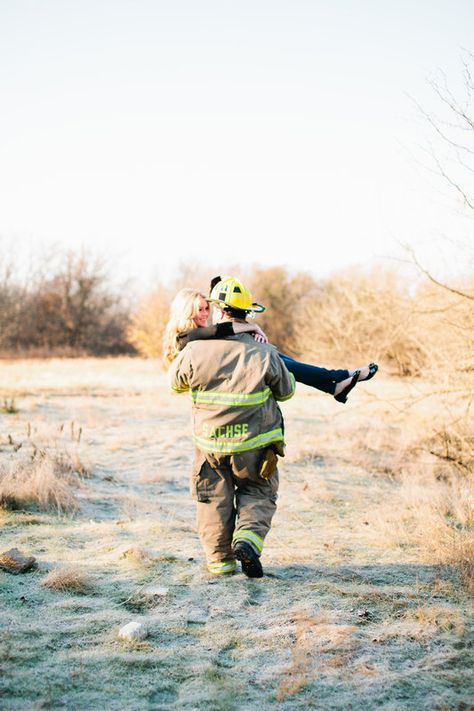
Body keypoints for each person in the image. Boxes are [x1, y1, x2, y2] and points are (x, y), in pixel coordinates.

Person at [168, 278, 296, 578]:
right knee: (259, 493)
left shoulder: (194, 349)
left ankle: (220, 563)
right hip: (256, 445)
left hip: (210, 445)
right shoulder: (264, 351)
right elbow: (286, 391)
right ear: (246, 313)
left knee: (213, 500)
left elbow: (176, 385)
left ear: (218, 311)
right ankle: (247, 540)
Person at [163, 279, 378, 404]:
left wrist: (254, 338)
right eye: (199, 309)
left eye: (206, 308)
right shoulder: (185, 335)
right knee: (279, 359)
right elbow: (223, 329)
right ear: (186, 310)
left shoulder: (202, 331)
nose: (204, 313)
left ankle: (336, 383)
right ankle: (337, 379)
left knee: (277, 356)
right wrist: (252, 327)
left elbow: (220, 329)